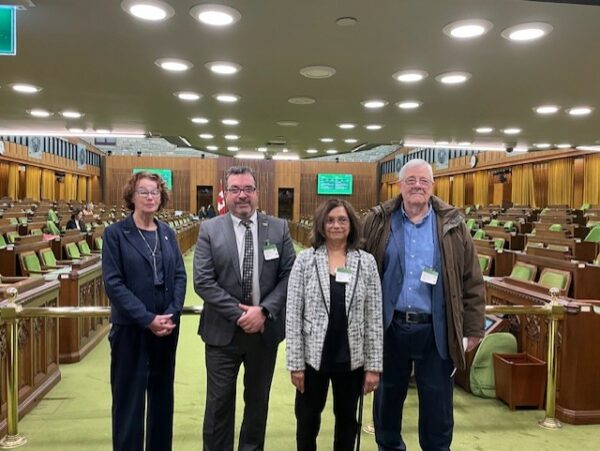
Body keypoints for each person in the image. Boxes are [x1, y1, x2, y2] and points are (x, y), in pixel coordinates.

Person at [362, 159, 485, 451]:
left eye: (423, 181)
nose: (417, 185)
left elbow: (472, 279)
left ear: (432, 186)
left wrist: (474, 327)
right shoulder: (378, 221)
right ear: (400, 185)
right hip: (390, 327)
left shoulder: (453, 224)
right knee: (388, 401)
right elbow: (360, 270)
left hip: (436, 330)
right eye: (411, 180)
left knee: (437, 407)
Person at [194, 166, 296, 451]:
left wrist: (263, 311)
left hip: (264, 333)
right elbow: (202, 281)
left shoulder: (278, 228)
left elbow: (290, 274)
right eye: (235, 189)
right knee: (218, 405)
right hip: (222, 334)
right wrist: (242, 315)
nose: (242, 195)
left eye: (248, 189)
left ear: (257, 193)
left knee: (257, 405)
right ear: (226, 194)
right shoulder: (209, 229)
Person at [286, 198, 383, 451]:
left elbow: (373, 318)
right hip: (312, 360)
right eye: (330, 220)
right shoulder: (305, 261)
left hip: (352, 360)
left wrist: (373, 367)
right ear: (321, 225)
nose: (336, 225)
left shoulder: (367, 262)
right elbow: (293, 315)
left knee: (347, 424)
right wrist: (295, 365)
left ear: (351, 224)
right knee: (307, 422)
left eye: (342, 219)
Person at [102, 171, 187, 451]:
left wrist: (172, 314)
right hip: (131, 329)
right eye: (144, 192)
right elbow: (114, 284)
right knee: (129, 399)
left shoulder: (167, 233)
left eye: (155, 192)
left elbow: (179, 276)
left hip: (165, 329)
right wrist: (147, 318)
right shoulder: (115, 234)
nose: (150, 197)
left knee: (162, 397)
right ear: (132, 196)